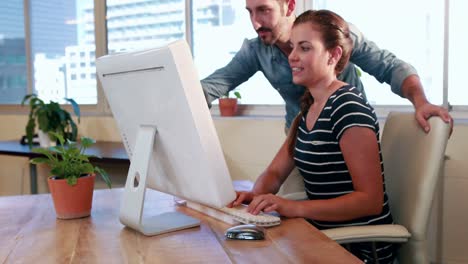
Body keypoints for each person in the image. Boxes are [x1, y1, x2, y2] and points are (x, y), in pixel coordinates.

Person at [230, 9, 396, 263]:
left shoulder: (348, 107)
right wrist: (256, 199)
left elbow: (370, 201)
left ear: (334, 55)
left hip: (358, 249)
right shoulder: (306, 110)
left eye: (305, 48)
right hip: (323, 237)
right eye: (294, 47)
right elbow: (275, 173)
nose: (293, 57)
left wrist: (293, 207)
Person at [201, 0, 452, 133]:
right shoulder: (257, 50)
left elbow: (390, 67)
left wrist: (420, 101)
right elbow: (213, 85)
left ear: (289, 6)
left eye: (264, 10)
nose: (256, 23)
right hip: (300, 141)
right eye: (250, 12)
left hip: (348, 134)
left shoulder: (334, 34)